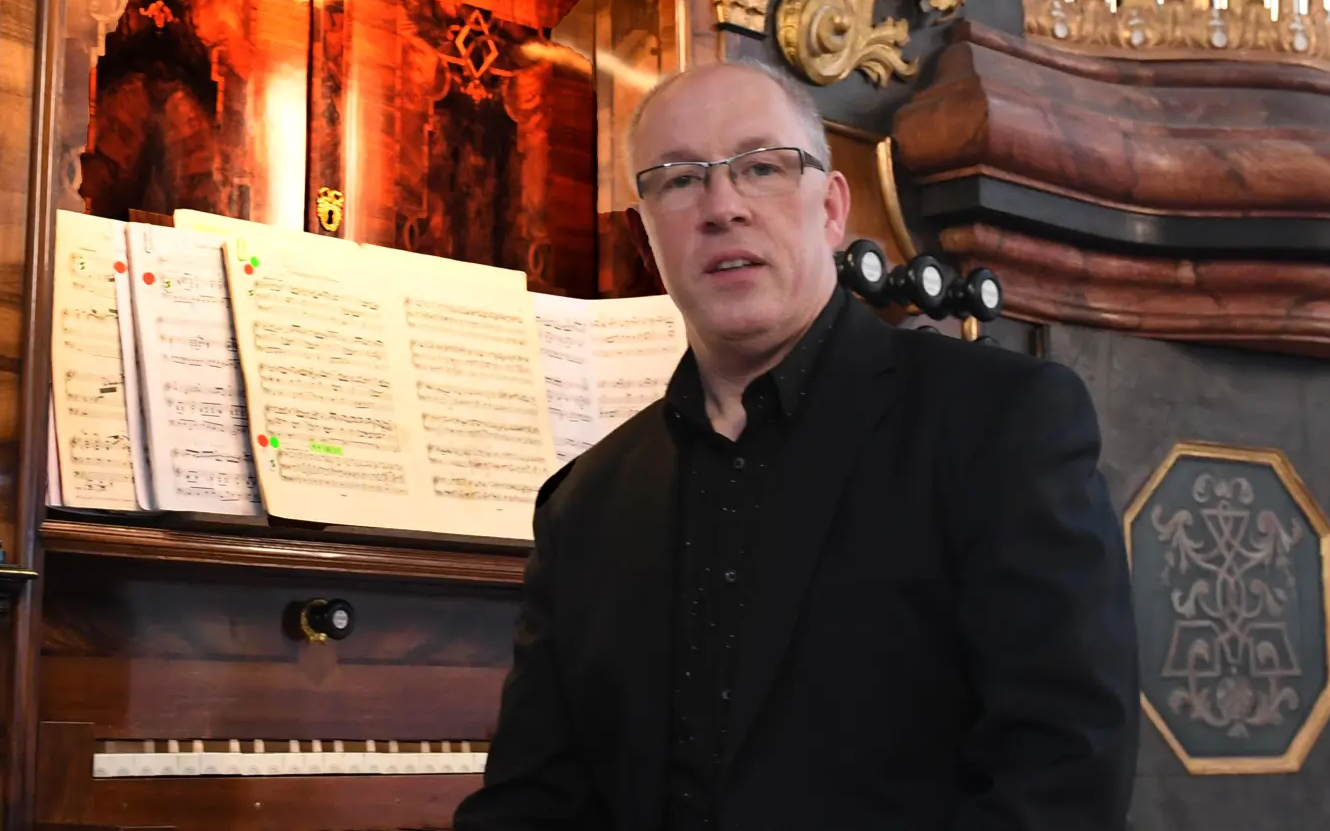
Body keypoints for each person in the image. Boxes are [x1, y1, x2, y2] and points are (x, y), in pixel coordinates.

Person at [452, 59, 1139, 831]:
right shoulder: (585, 503)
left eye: (763, 168)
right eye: (678, 181)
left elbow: (1061, 775)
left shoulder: (999, 422)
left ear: (832, 207)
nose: (723, 207)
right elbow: (532, 800)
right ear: (647, 234)